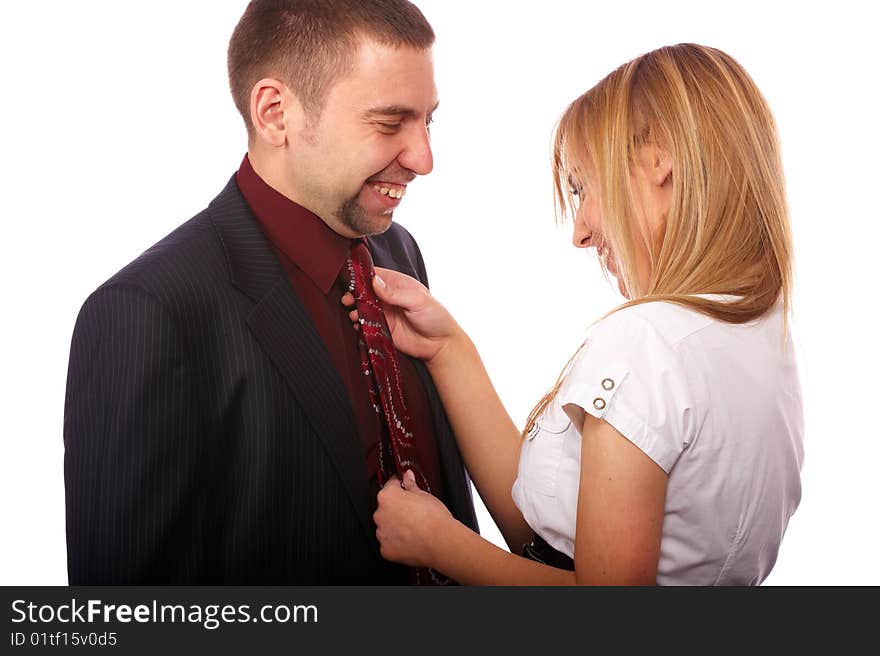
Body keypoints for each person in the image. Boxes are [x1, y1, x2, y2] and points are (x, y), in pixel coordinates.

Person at [356, 43, 804, 585]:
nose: (581, 232)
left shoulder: (647, 342)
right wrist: (449, 349)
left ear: (658, 156)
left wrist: (441, 544)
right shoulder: (761, 336)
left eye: (582, 187)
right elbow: (550, 538)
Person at [62, 0, 478, 584]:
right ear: (275, 113)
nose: (424, 159)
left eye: (428, 120)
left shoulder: (397, 253)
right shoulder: (147, 311)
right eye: (390, 123)